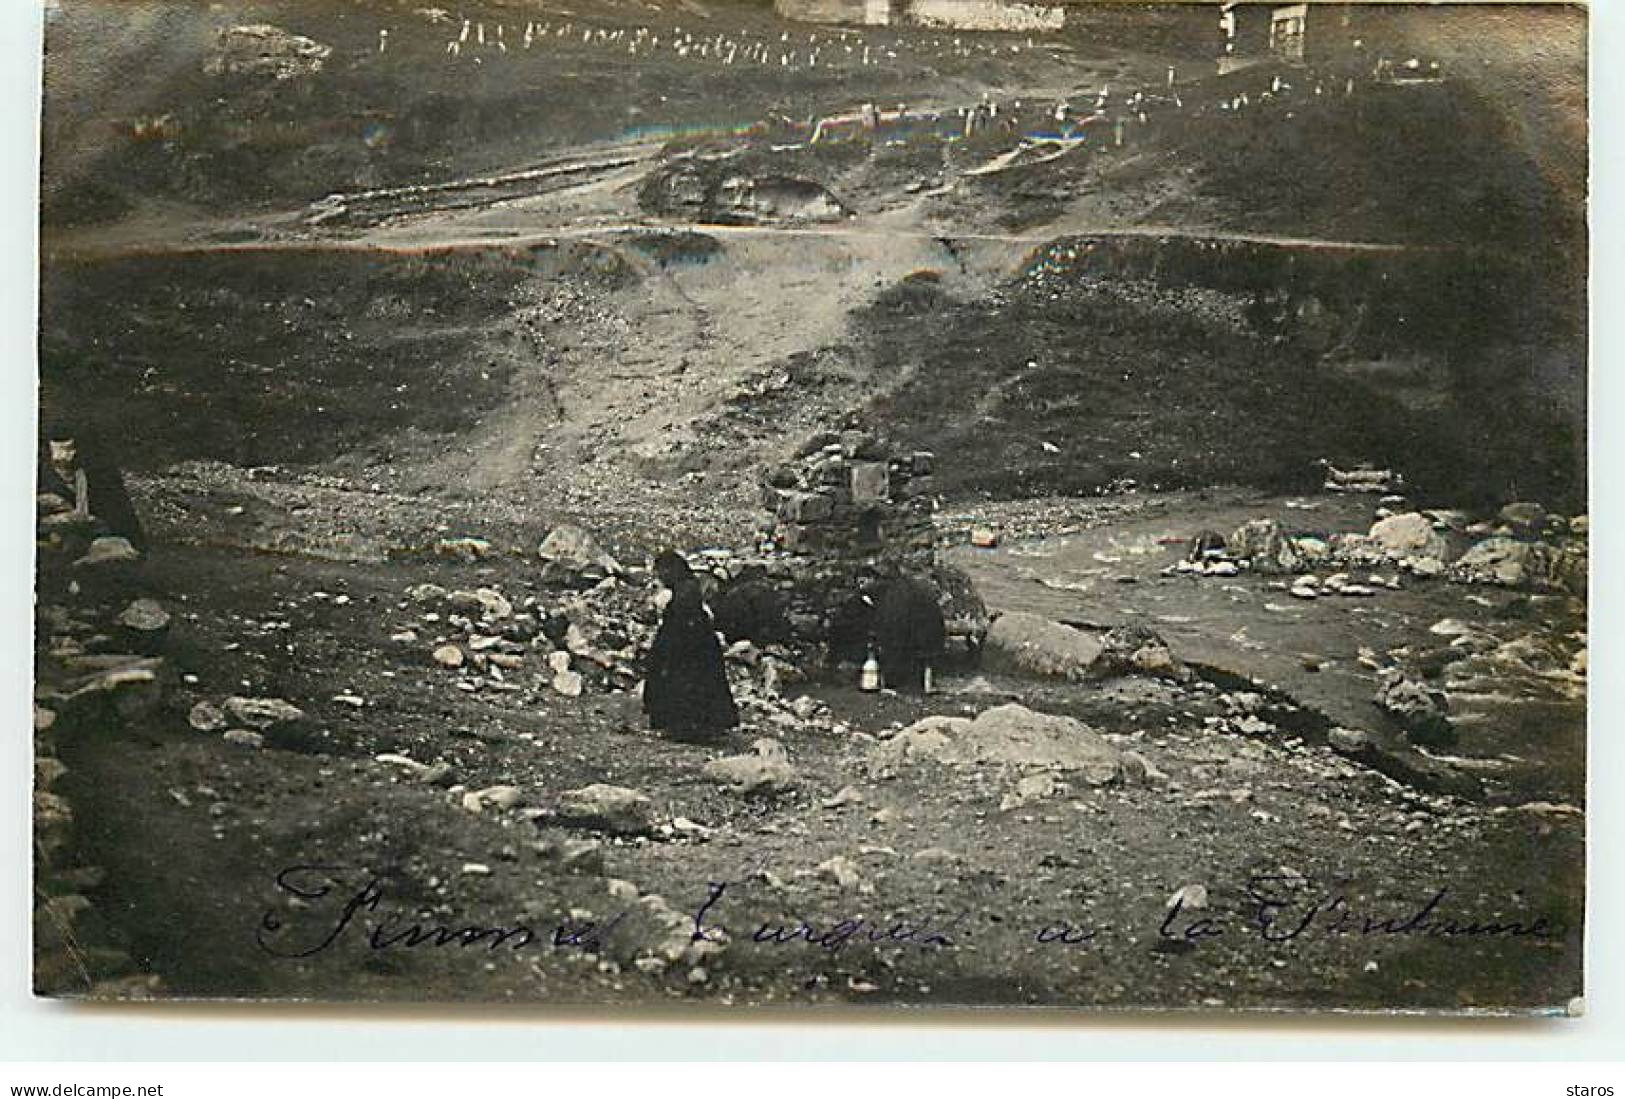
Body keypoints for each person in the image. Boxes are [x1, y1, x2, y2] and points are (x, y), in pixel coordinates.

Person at [643, 550, 738, 742]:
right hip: (697, 648)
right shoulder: (687, 588)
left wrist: (663, 651)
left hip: (687, 650)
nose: (660, 577)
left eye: (661, 572)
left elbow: (679, 626)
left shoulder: (684, 593)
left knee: (685, 687)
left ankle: (687, 728)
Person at [870, 573, 946, 693]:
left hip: (902, 633)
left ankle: (888, 683)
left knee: (892, 644)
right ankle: (928, 682)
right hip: (926, 634)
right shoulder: (922, 593)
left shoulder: (889, 594)